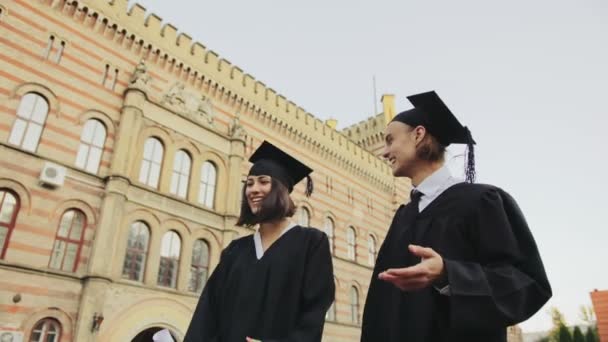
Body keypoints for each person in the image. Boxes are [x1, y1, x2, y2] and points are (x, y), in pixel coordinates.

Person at [360, 91, 552, 342]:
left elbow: (528, 284)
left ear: (418, 135)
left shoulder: (482, 201)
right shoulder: (403, 217)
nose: (384, 152)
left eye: (390, 140)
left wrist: (449, 274)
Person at [184, 141, 335, 342]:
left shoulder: (311, 243)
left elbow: (314, 311)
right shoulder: (235, 251)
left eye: (263, 182)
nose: (253, 189)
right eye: (249, 183)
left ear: (281, 190)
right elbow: (208, 311)